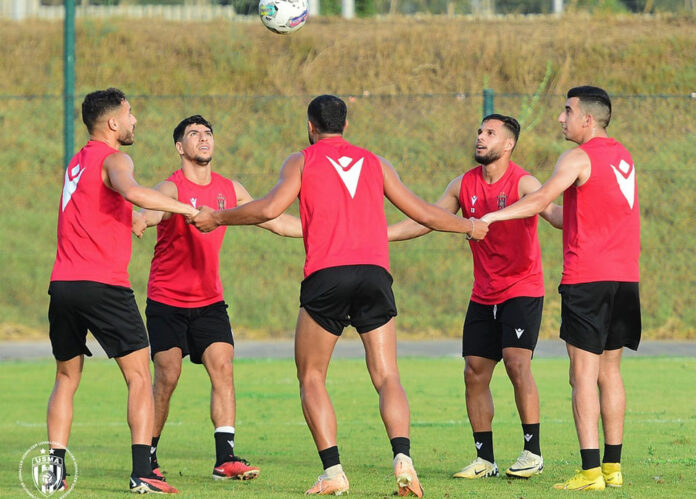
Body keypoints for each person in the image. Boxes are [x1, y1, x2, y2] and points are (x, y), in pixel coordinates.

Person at [192, 94, 488, 496]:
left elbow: (267, 209)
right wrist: (467, 227)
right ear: (345, 126)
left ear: (310, 126)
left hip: (327, 275)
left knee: (312, 375)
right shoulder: (375, 162)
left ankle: (333, 472)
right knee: (387, 376)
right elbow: (421, 211)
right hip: (374, 273)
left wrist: (218, 216)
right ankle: (403, 459)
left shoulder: (302, 160)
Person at [481, 86, 641, 491]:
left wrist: (494, 217)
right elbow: (568, 212)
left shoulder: (577, 156)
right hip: (625, 278)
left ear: (587, 119)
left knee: (582, 375)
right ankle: (612, 469)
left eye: (566, 111)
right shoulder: (623, 156)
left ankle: (590, 473)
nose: (560, 118)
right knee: (610, 372)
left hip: (588, 278)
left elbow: (540, 200)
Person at [389, 114, 562, 481]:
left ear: (508, 144)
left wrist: (587, 211)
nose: (480, 138)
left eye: (490, 133)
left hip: (522, 287)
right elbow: (428, 219)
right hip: (483, 293)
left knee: (517, 363)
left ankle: (533, 452)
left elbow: (552, 213)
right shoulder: (462, 184)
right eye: (480, 132)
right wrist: (380, 235)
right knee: (474, 372)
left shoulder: (524, 181)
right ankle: (485, 459)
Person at [47, 88, 198, 494]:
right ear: (112, 123)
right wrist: (187, 208)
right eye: (130, 114)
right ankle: (141, 472)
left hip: (63, 284)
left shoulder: (76, 163)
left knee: (66, 376)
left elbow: (97, 207)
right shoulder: (117, 157)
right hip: (103, 285)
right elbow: (129, 188)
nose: (134, 121)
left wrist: (129, 219)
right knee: (138, 375)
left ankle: (54, 472)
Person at [135, 115, 302, 483]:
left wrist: (319, 230)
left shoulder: (230, 188)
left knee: (223, 367)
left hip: (209, 301)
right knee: (167, 375)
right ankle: (148, 455)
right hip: (167, 300)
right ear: (180, 147)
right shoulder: (171, 187)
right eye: (193, 134)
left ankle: (225, 458)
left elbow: (272, 219)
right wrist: (142, 220)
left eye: (207, 133)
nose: (203, 138)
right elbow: (151, 209)